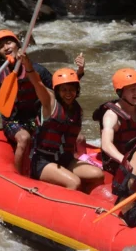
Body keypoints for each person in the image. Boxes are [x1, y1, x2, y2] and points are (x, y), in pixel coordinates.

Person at [0, 29, 85, 173]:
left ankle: (72, 166)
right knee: (24, 138)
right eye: (1, 46)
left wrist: (78, 72)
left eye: (9, 42)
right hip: (12, 121)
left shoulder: (36, 70)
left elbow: (60, 90)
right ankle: (19, 178)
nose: (6, 47)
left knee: (77, 137)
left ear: (18, 45)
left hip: (37, 119)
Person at [18, 52, 104, 191]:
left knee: (97, 175)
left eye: (71, 90)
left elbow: (73, 82)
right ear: (57, 91)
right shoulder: (49, 103)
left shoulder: (76, 109)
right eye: (64, 90)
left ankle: (89, 204)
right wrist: (28, 66)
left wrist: (80, 71)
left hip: (65, 159)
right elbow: (37, 83)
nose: (68, 93)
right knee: (74, 182)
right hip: (43, 161)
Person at [92, 68, 136, 175]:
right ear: (121, 92)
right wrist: (123, 160)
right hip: (119, 163)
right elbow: (106, 144)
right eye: (132, 89)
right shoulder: (111, 115)